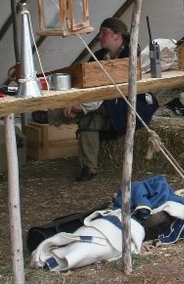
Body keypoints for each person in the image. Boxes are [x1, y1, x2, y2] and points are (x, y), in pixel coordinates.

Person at [52, 17, 158, 182]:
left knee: (93, 109)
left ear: (118, 35)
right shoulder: (99, 56)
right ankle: (89, 168)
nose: (100, 36)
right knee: (89, 120)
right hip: (104, 109)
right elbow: (87, 84)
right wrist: (78, 103)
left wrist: (81, 106)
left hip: (128, 108)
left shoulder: (131, 56)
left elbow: (120, 91)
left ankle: (54, 116)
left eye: (104, 32)